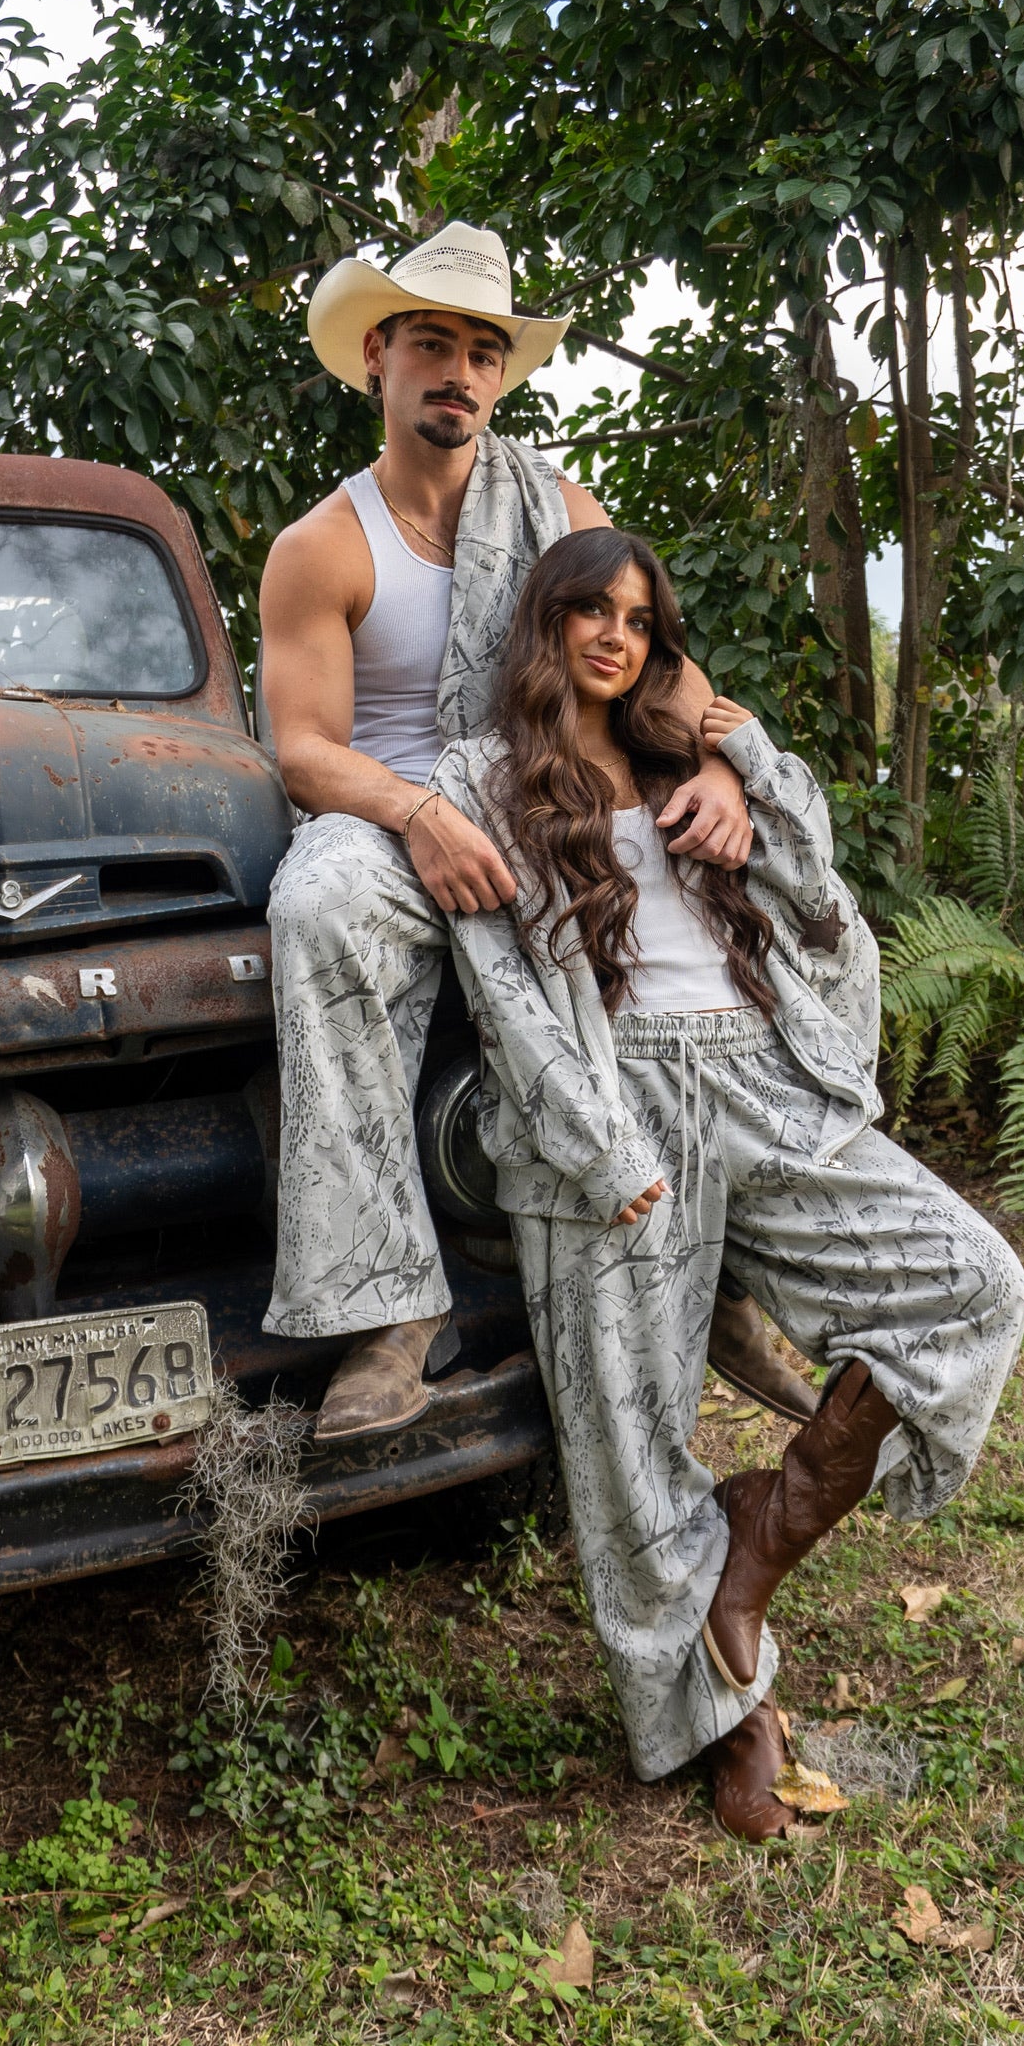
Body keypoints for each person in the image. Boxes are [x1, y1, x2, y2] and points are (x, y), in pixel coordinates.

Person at [428, 528, 1024, 1841]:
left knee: (972, 1279)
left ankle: (760, 1533)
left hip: (761, 1077)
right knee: (627, 1442)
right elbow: (508, 991)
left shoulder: (690, 761)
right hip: (616, 1102)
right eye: (590, 611)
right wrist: (603, 1152)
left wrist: (740, 761)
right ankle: (735, 1717)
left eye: (640, 621)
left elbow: (819, 895)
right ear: (549, 625)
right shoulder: (483, 781)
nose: (615, 638)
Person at [259, 220, 814, 1437]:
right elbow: (303, 751)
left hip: (546, 801)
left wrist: (719, 762)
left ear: (500, 377)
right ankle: (387, 1314)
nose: (458, 373)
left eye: (482, 352)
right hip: (399, 819)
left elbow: (649, 656)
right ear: (377, 358)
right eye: (431, 346)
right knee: (317, 902)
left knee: (711, 869)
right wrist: (418, 814)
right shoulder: (323, 546)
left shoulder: (553, 506)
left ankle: (722, 1267)